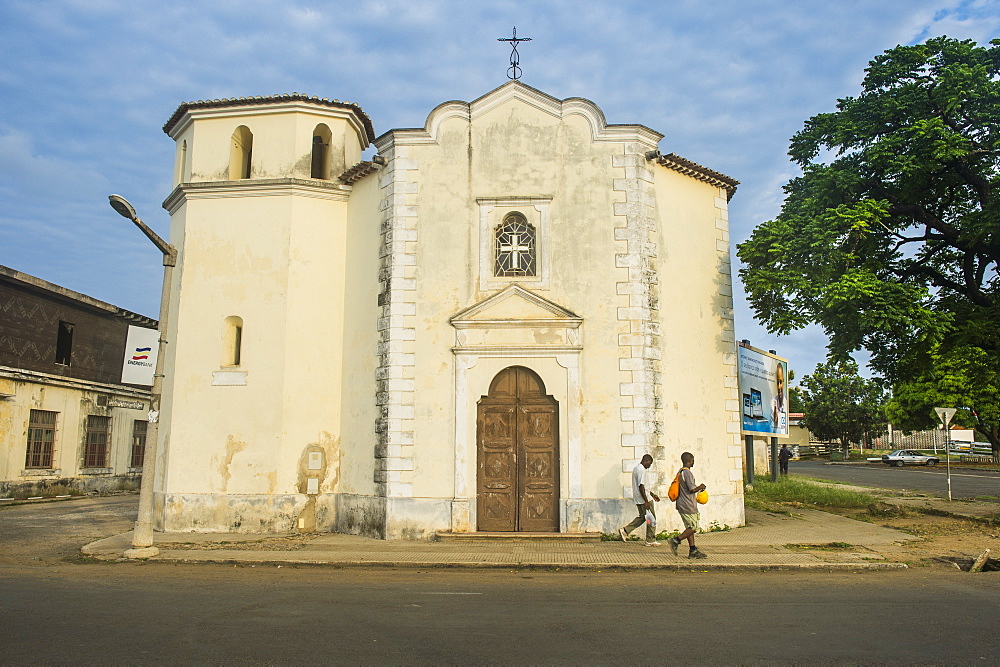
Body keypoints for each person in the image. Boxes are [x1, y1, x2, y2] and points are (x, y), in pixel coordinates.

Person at [667, 452, 708, 559]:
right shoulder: (687, 473)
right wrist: (701, 487)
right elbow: (692, 489)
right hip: (687, 504)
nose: (693, 461)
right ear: (689, 460)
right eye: (693, 459)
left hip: (682, 503)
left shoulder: (680, 472)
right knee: (694, 527)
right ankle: (676, 540)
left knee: (689, 528)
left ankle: (693, 550)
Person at [618, 454, 660, 546]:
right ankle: (650, 540)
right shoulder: (641, 470)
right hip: (644, 498)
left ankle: (625, 530)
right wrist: (646, 501)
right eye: (650, 463)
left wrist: (652, 494)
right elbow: (641, 486)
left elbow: (644, 487)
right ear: (647, 461)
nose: (650, 466)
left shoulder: (637, 468)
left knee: (643, 517)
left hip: (640, 497)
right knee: (651, 518)